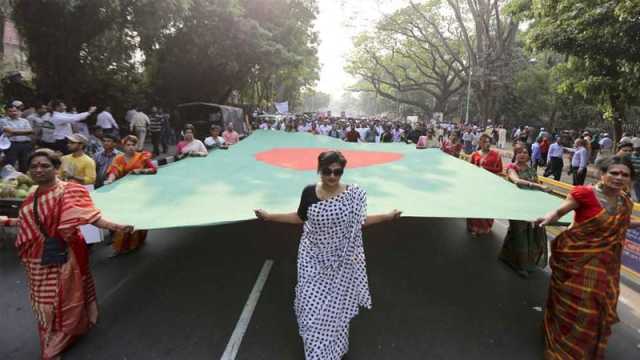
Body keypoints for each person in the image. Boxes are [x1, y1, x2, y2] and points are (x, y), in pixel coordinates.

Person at [254, 150, 401, 360]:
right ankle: (316, 352)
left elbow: (359, 222)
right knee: (310, 303)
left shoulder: (352, 195)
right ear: (319, 170)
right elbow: (299, 218)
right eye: (327, 171)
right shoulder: (308, 193)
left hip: (339, 261)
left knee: (335, 307)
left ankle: (333, 350)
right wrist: (269, 217)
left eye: (337, 172)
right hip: (311, 257)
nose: (332, 176)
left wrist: (387, 217)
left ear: (342, 172)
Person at [2, 149, 132, 360]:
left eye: (45, 165)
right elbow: (27, 224)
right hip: (37, 259)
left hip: (68, 253)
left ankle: (60, 341)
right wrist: (6, 221)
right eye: (34, 166)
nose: (39, 170)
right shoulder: (30, 198)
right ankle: (55, 334)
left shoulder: (70, 190)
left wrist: (115, 226)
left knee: (66, 295)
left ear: (56, 168)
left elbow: (90, 216)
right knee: (45, 302)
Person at [536, 155, 639, 359]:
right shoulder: (584, 194)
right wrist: (549, 217)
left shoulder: (625, 202)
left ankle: (581, 348)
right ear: (602, 174)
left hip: (606, 265)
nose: (619, 178)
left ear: (630, 179)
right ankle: (561, 348)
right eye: (614, 173)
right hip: (577, 260)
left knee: (595, 308)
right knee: (573, 305)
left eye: (624, 175)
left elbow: (622, 224)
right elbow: (560, 211)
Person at [501, 144, 549, 277]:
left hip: (532, 205)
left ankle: (514, 258)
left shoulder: (531, 170)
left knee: (534, 233)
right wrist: (537, 186)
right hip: (516, 205)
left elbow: (537, 185)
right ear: (515, 154)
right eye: (520, 152)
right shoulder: (511, 168)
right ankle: (520, 266)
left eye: (525, 152)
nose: (523, 154)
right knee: (519, 233)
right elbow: (516, 181)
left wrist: (541, 189)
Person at [104, 135, 157, 255]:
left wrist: (141, 171)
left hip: (140, 192)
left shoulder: (142, 157)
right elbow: (113, 171)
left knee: (138, 216)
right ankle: (121, 247)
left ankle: (137, 242)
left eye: (133, 145)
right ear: (123, 146)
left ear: (137, 146)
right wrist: (110, 180)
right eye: (128, 145)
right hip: (124, 194)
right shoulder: (118, 159)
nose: (131, 147)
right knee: (123, 218)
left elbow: (153, 169)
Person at [467, 134, 503, 236]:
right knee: (475, 205)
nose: (487, 144)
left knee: (487, 206)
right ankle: (474, 227)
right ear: (480, 143)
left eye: (488, 142)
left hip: (490, 186)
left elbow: (500, 170)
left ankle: (486, 227)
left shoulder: (496, 155)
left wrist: (487, 170)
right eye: (484, 142)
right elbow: (469, 169)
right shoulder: (475, 155)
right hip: (476, 185)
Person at [1, 103, 33, 173]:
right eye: (10, 111)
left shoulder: (24, 120)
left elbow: (30, 131)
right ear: (6, 112)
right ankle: (8, 179)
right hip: (12, 145)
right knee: (10, 164)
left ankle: (24, 178)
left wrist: (14, 133)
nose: (14, 113)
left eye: (15, 111)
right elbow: (9, 131)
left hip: (25, 144)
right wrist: (25, 132)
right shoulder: (3, 121)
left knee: (25, 164)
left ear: (18, 111)